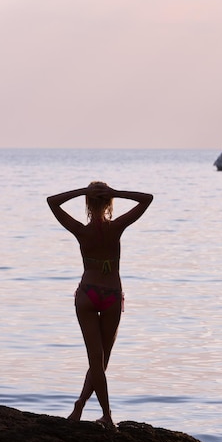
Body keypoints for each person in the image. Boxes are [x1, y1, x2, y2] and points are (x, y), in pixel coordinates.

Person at [47, 182, 153, 427]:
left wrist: (82, 192)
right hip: (112, 295)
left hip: (87, 294)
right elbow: (146, 198)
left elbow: (52, 201)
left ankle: (80, 406)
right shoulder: (116, 227)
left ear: (88, 203)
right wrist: (116, 193)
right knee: (101, 361)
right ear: (108, 203)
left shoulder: (80, 231)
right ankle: (106, 415)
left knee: (97, 361)